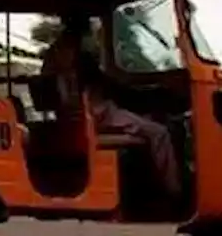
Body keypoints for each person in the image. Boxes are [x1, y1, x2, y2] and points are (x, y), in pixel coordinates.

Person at [41, 13, 181, 199]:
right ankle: (174, 192)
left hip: (73, 117)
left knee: (140, 122)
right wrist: (152, 85)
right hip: (95, 115)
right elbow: (112, 85)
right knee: (159, 132)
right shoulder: (80, 56)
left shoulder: (55, 52)